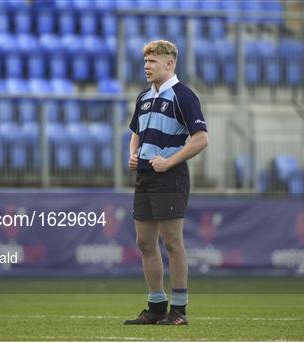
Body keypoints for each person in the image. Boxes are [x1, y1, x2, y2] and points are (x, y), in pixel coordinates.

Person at [123, 40, 209, 326]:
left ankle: (180, 311)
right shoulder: (143, 97)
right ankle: (157, 307)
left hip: (170, 176)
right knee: (145, 241)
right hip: (145, 175)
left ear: (170, 63)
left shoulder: (184, 96)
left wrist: (170, 161)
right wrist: (133, 153)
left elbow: (201, 139)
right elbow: (136, 131)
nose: (147, 66)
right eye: (145, 61)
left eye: (152, 61)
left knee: (172, 242)